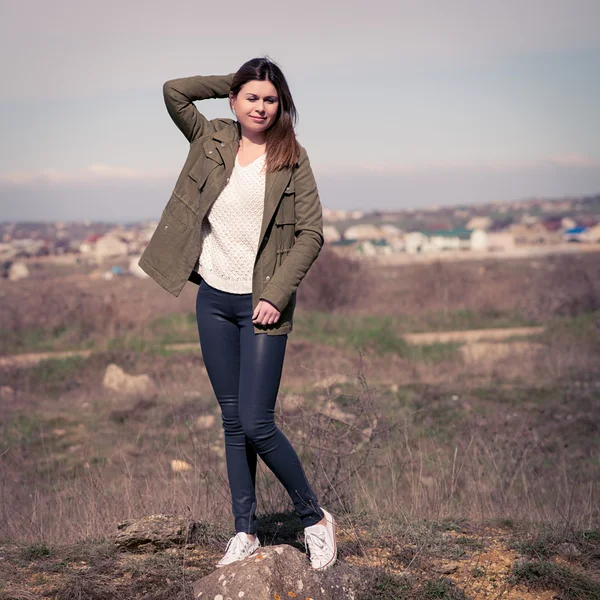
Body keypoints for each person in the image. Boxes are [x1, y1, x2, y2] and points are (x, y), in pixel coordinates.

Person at [139, 57, 337, 571]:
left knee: (256, 420)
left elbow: (311, 233)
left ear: (282, 104)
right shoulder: (212, 138)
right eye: (251, 97)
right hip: (214, 299)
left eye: (271, 99)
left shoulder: (293, 158)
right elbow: (173, 91)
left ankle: (314, 519)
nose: (261, 107)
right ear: (233, 99)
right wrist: (234, 78)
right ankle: (244, 532)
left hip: (262, 305)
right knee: (232, 421)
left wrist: (275, 293)